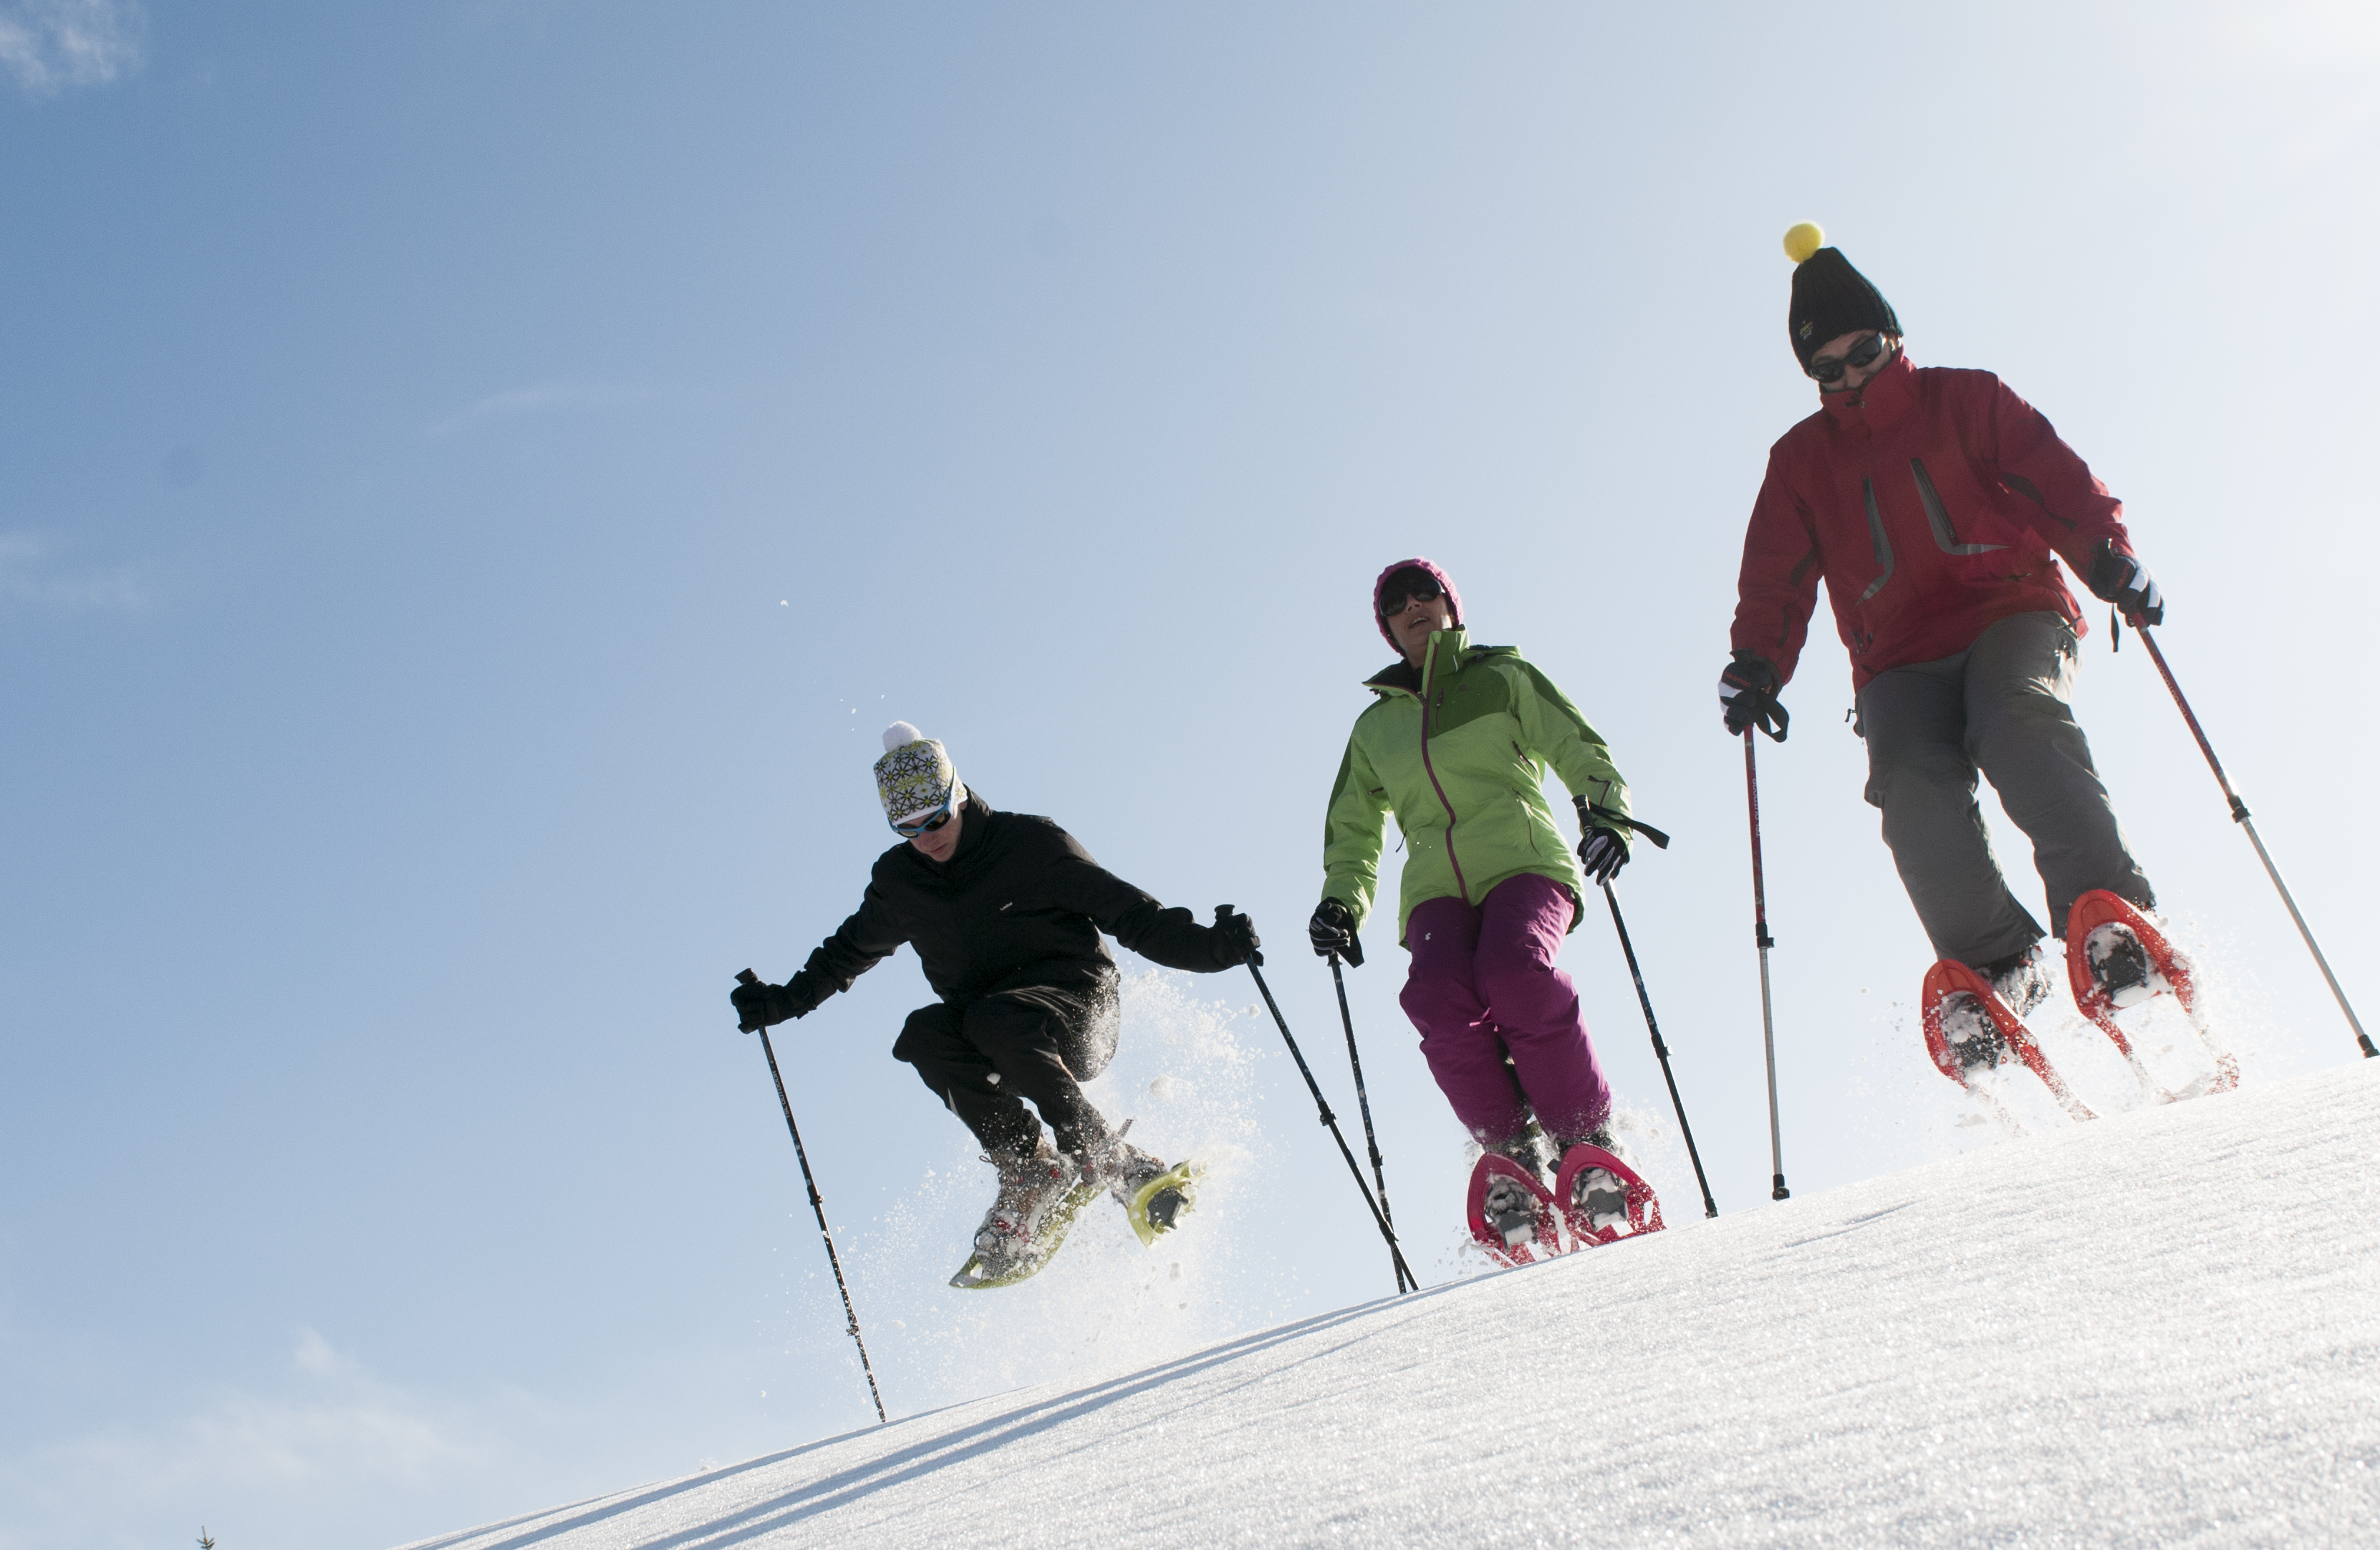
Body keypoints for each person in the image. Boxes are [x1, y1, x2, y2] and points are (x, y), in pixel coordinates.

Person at [1717, 226, 2177, 1047]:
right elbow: (1776, 576)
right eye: (1827, 366)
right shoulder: (1799, 462)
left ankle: (2108, 922)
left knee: (2013, 717)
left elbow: (2054, 479)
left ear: (1891, 335)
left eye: (1862, 350)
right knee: (1907, 782)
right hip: (1896, 660)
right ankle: (2000, 967)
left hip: (2011, 610)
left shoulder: (1964, 398)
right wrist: (1757, 665)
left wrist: (2107, 557)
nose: (1850, 373)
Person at [733, 723, 1258, 1271]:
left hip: (1078, 1009)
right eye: (908, 829)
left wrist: (1211, 948)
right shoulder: (900, 883)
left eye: (936, 818)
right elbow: (845, 954)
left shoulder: (1029, 844)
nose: (927, 837)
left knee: (993, 1016)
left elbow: (1131, 915)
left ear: (956, 793)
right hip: (997, 1028)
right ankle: (1030, 1168)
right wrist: (780, 1003)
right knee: (923, 1035)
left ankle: (1111, 1158)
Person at [1311, 557, 1645, 1245]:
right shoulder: (1375, 730)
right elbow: (1354, 829)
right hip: (1435, 887)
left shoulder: (1503, 677)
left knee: (1513, 971)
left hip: (1523, 862)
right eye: (1396, 602)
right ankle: (1512, 1154)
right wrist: (1343, 902)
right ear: (1387, 628)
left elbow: (1576, 745)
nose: (1413, 605)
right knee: (1435, 996)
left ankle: (1586, 1140)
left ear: (1450, 605)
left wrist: (1609, 817)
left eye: (1424, 592)